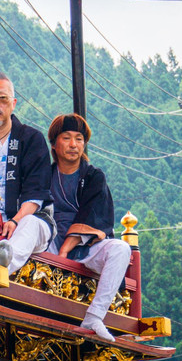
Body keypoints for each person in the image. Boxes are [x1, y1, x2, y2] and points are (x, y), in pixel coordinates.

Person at [46, 114, 131, 342]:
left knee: (121, 249)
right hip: (50, 241)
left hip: (85, 246)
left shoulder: (93, 176)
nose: (74, 145)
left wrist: (67, 248)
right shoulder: (45, 175)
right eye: (67, 138)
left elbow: (94, 214)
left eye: (79, 139)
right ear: (54, 143)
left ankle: (94, 316)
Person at [0, 73, 54, 273]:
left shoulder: (32, 139)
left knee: (30, 225)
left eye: (2, 98)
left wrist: (15, 220)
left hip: (26, 221)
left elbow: (36, 193)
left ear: (13, 103)